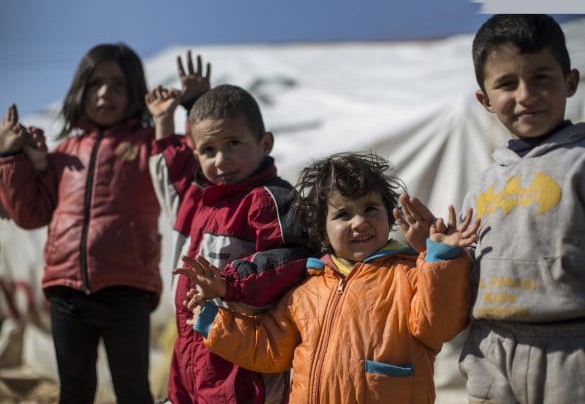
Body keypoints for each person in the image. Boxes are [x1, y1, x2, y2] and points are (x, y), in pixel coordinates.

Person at [182, 152, 478, 404]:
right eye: (343, 214)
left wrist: (439, 258)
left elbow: (438, 325)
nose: (360, 221)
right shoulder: (306, 290)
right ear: (321, 230)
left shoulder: (410, 274)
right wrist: (213, 320)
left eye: (370, 209)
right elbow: (270, 347)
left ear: (389, 217)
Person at [0, 43, 162, 403]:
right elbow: (30, 214)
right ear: (80, 90)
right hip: (66, 291)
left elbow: (180, 167)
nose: (105, 92)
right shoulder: (62, 154)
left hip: (127, 288)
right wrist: (13, 156)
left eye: (118, 84)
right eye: (95, 83)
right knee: (74, 391)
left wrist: (177, 111)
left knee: (133, 390)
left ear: (135, 91)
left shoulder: (148, 146)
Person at [145, 59, 311, 404]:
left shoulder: (270, 198)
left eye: (233, 143)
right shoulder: (202, 200)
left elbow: (292, 258)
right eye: (208, 150)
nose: (221, 159)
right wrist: (165, 119)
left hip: (244, 362)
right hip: (191, 355)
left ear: (265, 143)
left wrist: (229, 283)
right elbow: (173, 177)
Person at [458, 14, 585, 403]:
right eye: (507, 84)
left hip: (570, 347)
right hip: (490, 348)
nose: (526, 94)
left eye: (541, 77)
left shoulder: (579, 163)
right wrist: (441, 250)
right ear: (485, 101)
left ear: (570, 82)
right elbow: (468, 267)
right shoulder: (483, 183)